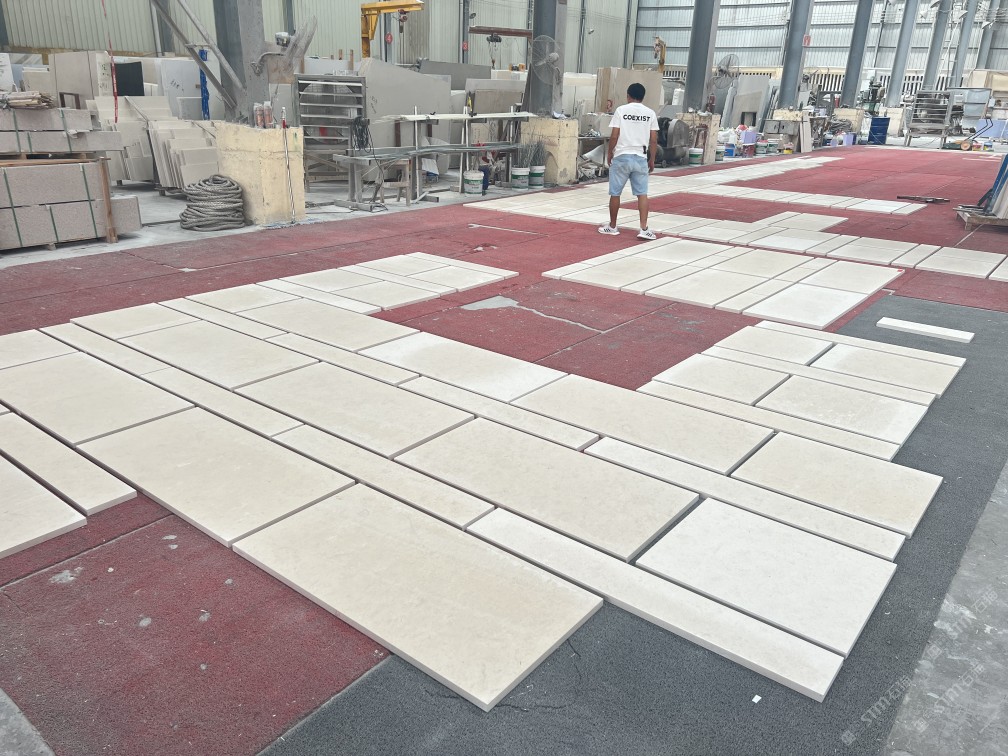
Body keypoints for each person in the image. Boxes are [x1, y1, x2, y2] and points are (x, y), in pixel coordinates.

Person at [598, 82, 659, 240]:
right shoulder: (650, 113)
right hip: (640, 158)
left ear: (628, 96)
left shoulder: (621, 111)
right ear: (643, 97)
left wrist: (610, 153)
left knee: (615, 193)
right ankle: (644, 229)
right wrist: (652, 159)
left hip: (622, 157)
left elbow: (614, 135)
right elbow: (653, 139)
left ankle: (612, 226)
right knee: (642, 194)